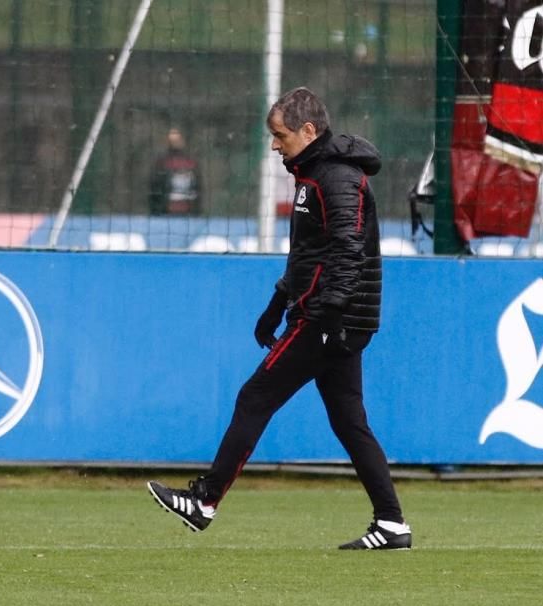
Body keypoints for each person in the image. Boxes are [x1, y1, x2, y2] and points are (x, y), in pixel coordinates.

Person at [147, 87, 412, 550]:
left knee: (255, 397)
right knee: (349, 421)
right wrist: (276, 306)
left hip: (331, 320)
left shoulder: (336, 178)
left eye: (280, 135)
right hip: (336, 318)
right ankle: (392, 524)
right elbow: (308, 256)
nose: (274, 145)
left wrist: (326, 314)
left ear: (309, 131)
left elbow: (346, 251)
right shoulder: (313, 174)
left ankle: (205, 502)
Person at [148, 127, 202, 216]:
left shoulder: (191, 162)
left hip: (188, 213)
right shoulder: (161, 162)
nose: (175, 142)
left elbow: (198, 188)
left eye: (177, 138)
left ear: (182, 140)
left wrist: (196, 211)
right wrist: (156, 210)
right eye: (172, 139)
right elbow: (154, 188)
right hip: (166, 212)